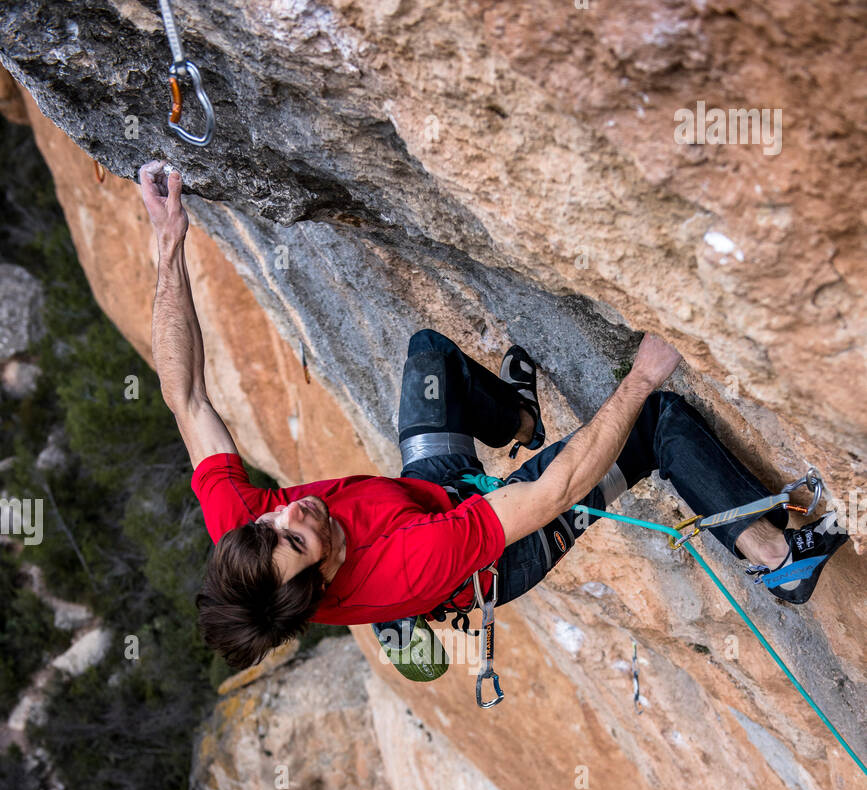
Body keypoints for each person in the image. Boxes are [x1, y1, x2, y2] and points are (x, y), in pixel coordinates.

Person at [138, 159, 848, 672]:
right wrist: (637, 377)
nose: (292, 513)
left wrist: (168, 247)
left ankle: (513, 421)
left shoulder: (248, 542)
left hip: (433, 497)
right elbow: (550, 494)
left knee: (429, 359)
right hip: (499, 551)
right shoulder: (404, 566)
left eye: (273, 519)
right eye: (295, 540)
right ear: (310, 584)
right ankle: (778, 559)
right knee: (655, 422)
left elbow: (187, 397)